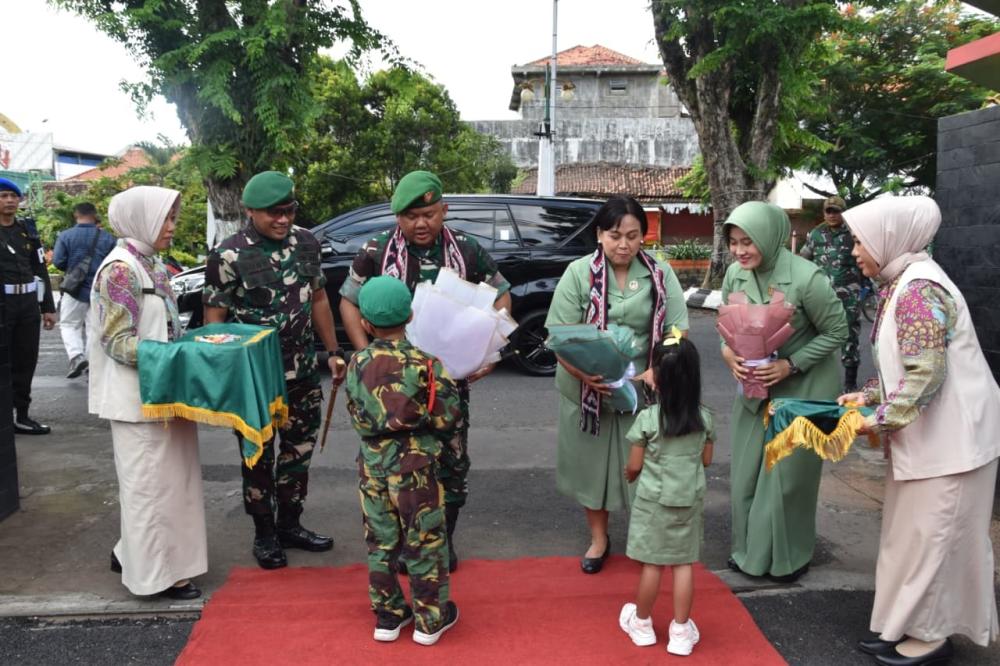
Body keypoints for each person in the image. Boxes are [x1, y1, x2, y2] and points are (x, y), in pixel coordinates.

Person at [839, 196, 1000, 666]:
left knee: (937, 539)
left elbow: (925, 373)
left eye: (858, 240)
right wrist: (868, 394)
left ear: (888, 239)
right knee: (912, 537)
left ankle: (931, 636)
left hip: (954, 443)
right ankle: (904, 623)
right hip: (933, 439)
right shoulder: (902, 283)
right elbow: (904, 363)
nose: (853, 251)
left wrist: (877, 419)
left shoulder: (917, 290)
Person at [339, 170, 511, 572]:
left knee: (451, 463)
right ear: (397, 217)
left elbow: (501, 294)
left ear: (444, 211)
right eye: (411, 216)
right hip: (390, 389)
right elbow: (348, 301)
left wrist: (489, 351)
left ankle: (442, 541)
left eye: (430, 214)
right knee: (394, 465)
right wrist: (370, 358)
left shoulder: (466, 250)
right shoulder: (376, 250)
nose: (421, 223)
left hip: (447, 382)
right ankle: (400, 542)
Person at [203, 171, 347, 570]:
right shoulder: (228, 255)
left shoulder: (306, 243)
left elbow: (318, 298)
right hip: (256, 379)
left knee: (298, 453)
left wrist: (332, 351)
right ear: (250, 211)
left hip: (302, 373)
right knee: (258, 457)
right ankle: (264, 534)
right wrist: (225, 372)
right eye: (273, 213)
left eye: (288, 210)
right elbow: (214, 319)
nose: (283, 219)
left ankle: (291, 525)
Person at [546, 195, 688, 574]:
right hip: (586, 387)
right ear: (599, 235)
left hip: (643, 387)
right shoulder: (578, 273)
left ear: (644, 236)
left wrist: (660, 367)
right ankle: (599, 540)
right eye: (614, 235)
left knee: (644, 466)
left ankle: (644, 541)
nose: (623, 245)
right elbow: (559, 333)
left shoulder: (660, 273)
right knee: (592, 468)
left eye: (632, 235)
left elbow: (677, 329)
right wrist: (582, 373)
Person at [89, 185, 207, 599]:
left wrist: (190, 348)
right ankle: (159, 575)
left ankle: (131, 553)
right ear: (141, 219)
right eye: (167, 219)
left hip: (164, 392)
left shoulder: (150, 263)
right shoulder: (120, 269)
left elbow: (165, 326)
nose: (173, 227)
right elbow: (117, 341)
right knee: (149, 489)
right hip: (137, 399)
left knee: (169, 484)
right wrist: (178, 357)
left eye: (173, 218)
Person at [720, 201, 847, 583]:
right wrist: (729, 356)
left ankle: (789, 558)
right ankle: (749, 553)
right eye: (734, 242)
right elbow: (725, 330)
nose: (740, 250)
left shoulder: (809, 278)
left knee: (787, 478)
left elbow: (837, 332)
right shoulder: (733, 275)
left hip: (806, 386)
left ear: (771, 238)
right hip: (755, 386)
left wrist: (791, 365)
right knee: (746, 472)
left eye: (749, 241)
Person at [345, 276, 462, 646]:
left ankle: (388, 615)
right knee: (424, 539)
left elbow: (356, 412)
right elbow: (447, 417)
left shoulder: (357, 363)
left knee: (381, 542)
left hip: (372, 466)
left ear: (365, 323)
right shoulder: (427, 364)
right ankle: (430, 619)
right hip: (416, 468)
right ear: (410, 315)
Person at [618, 331, 714, 656]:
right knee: (683, 564)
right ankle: (681, 631)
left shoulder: (648, 420)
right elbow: (706, 460)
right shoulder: (704, 418)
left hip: (653, 502)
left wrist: (629, 475)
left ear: (656, 379)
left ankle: (642, 624)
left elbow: (634, 465)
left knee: (652, 565)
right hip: (688, 498)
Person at [0, 177, 56, 435]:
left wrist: (47, 307)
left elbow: (39, 267)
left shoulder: (27, 230)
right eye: (3, 196)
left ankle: (21, 415)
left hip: (26, 304)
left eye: (14, 196)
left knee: (26, 360)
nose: (10, 200)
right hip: (3, 304)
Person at [799, 195, 865, 390]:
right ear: (824, 212)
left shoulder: (854, 234)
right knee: (815, 334)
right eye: (829, 211)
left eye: (836, 211)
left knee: (849, 334)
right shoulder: (815, 234)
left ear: (843, 213)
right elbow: (804, 261)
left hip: (848, 295)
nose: (832, 215)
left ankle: (850, 381)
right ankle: (815, 378)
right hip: (821, 295)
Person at [52, 202, 116, 378]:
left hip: (74, 289)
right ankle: (92, 366)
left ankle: (76, 356)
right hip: (99, 290)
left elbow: (58, 261)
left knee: (69, 324)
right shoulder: (108, 238)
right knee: (94, 328)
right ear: (95, 215)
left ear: (76, 214)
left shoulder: (66, 236)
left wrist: (72, 269)